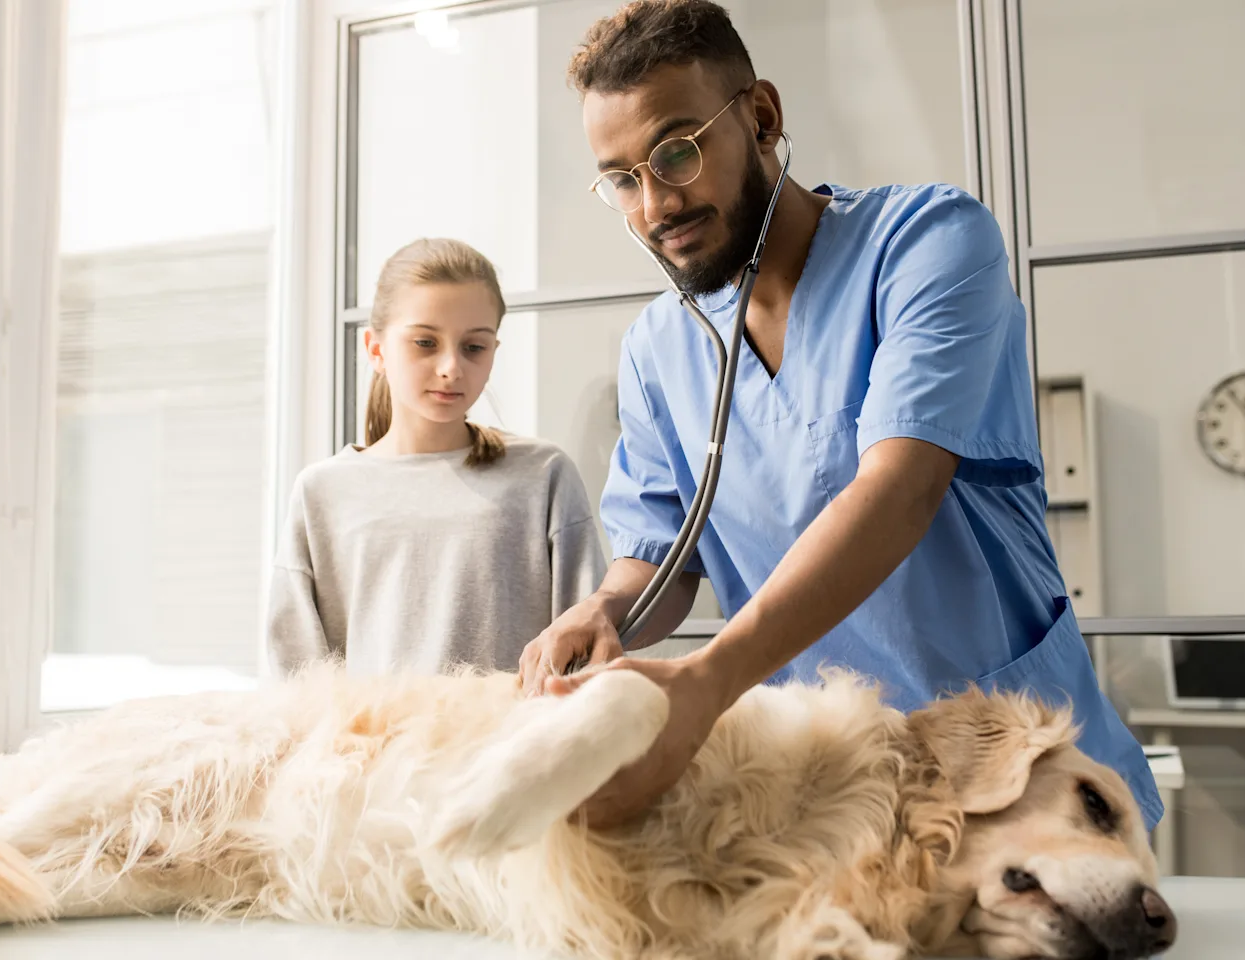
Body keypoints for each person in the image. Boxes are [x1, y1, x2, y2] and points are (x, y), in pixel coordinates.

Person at [517, 0, 1162, 833]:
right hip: (834, 795)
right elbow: (661, 555)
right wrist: (605, 609)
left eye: (676, 152)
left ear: (761, 118)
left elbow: (900, 488)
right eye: (622, 178)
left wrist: (711, 678)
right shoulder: (657, 348)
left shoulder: (927, 243)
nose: (654, 205)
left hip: (1019, 772)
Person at [267, 237, 607, 677]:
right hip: (374, 746)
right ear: (376, 349)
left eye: (474, 347)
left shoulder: (543, 475)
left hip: (519, 742)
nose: (451, 367)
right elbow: (295, 678)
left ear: (493, 352)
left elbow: (588, 652)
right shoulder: (322, 492)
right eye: (425, 343)